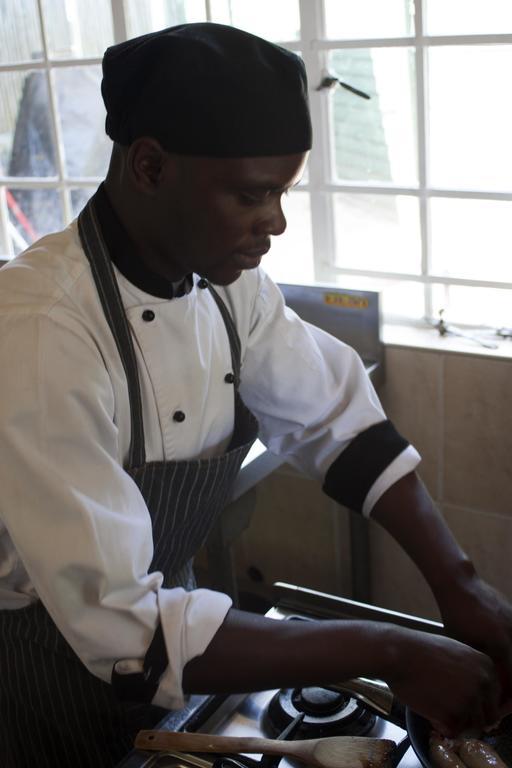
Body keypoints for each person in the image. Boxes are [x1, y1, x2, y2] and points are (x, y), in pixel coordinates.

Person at [0, 22, 511, 768]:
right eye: (252, 193)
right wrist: (394, 653)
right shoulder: (40, 332)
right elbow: (121, 629)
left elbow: (338, 422)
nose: (274, 219)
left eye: (283, 191)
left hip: (162, 652)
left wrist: (459, 584)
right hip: (48, 674)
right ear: (149, 166)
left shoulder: (225, 286)